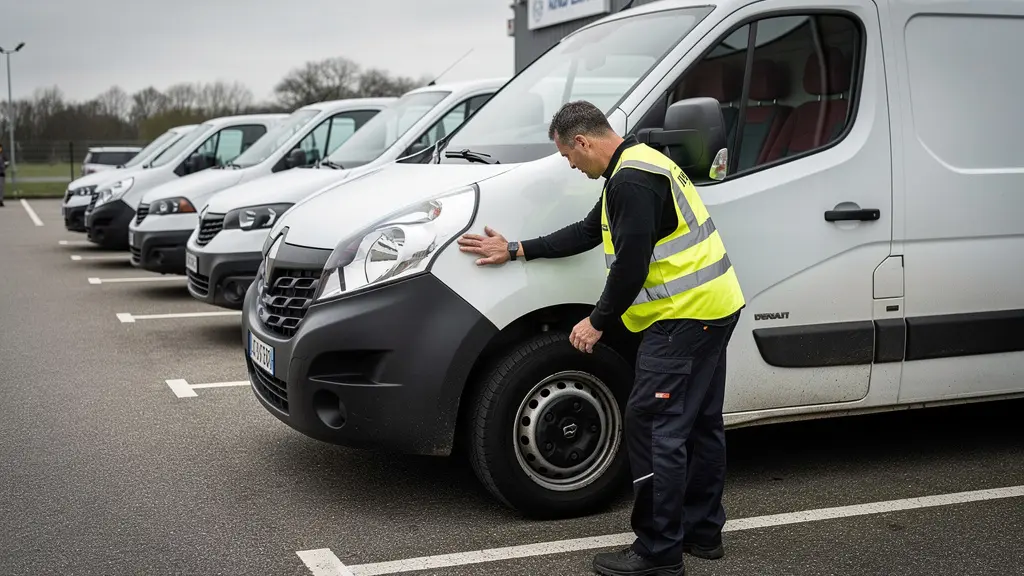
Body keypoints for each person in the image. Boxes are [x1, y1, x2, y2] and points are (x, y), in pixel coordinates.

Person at [457, 100, 746, 576]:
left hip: (684, 318)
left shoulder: (632, 180)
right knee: (698, 425)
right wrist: (516, 249)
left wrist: (598, 321)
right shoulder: (639, 165)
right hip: (714, 309)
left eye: (570, 156)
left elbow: (631, 265)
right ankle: (702, 532)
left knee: (653, 427)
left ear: (584, 142)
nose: (571, 165)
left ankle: (658, 552)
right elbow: (589, 231)